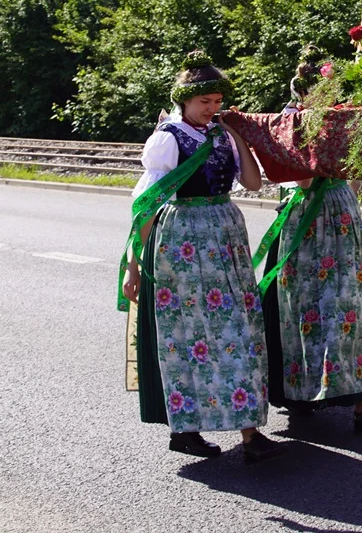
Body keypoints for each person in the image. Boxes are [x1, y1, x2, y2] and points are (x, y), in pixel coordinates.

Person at [119, 50, 286, 463]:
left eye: (217, 101)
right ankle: (188, 429)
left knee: (239, 330)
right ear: (184, 100)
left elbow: (252, 183)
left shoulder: (220, 134)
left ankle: (248, 430)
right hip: (183, 241)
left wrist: (238, 135)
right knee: (189, 335)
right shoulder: (169, 138)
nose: (212, 108)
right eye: (204, 101)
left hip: (225, 235)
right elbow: (147, 204)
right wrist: (134, 266)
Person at [254, 49, 362, 433]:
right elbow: (305, 180)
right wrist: (309, 134)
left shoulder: (341, 123)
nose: (333, 97)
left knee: (346, 314)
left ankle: (354, 399)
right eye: (325, 91)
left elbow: (355, 179)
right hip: (306, 226)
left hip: (342, 223)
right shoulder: (289, 124)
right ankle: (307, 394)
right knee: (304, 313)